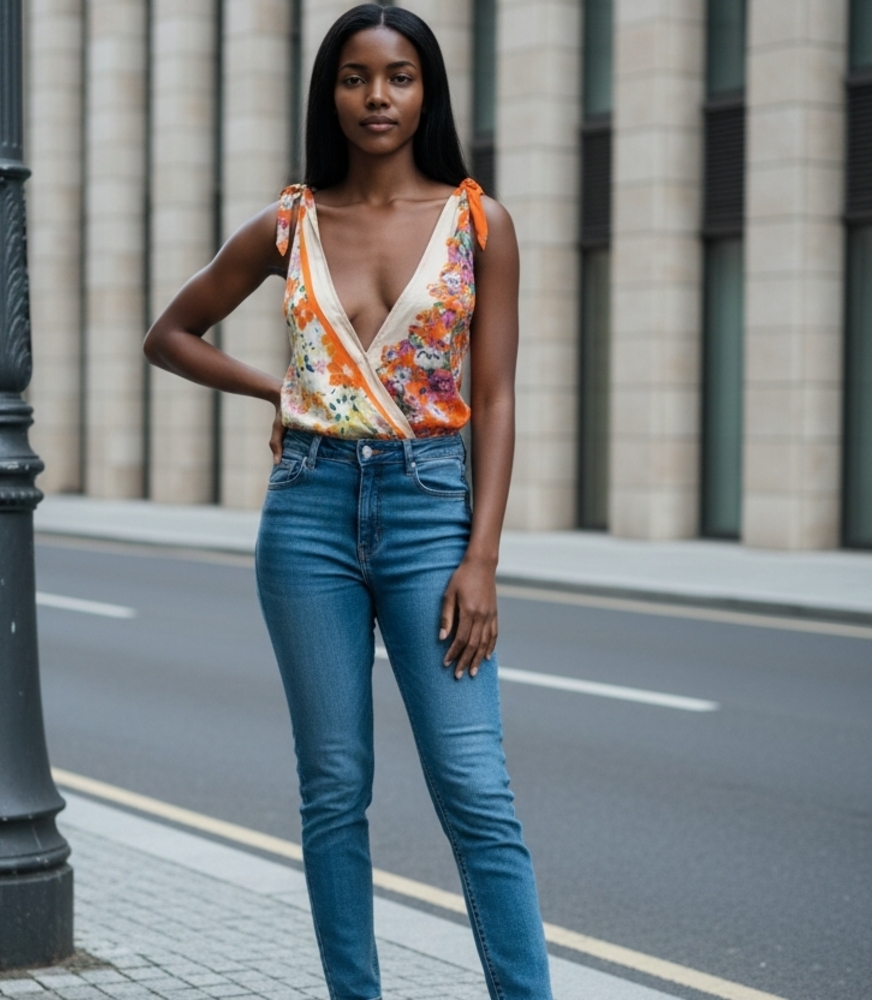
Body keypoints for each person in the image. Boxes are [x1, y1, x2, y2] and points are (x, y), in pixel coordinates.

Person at [144, 5, 553, 998]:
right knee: (333, 791)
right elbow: (171, 332)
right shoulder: (292, 219)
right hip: (307, 511)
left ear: (428, 91)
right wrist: (275, 390)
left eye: (400, 76)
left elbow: (494, 398)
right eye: (356, 77)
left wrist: (481, 556)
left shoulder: (476, 219)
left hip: (429, 508)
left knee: (474, 789)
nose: (377, 97)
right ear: (330, 91)